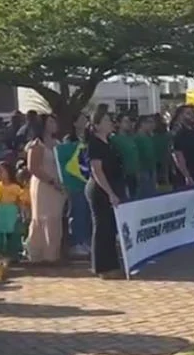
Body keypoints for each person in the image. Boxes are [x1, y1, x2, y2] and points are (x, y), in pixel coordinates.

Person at [85, 110, 125, 279]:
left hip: (113, 185)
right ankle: (102, 267)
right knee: (102, 227)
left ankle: (112, 264)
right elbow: (97, 171)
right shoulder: (94, 144)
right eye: (107, 120)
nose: (110, 123)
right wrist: (110, 193)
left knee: (110, 227)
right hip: (100, 189)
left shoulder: (109, 142)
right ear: (97, 124)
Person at [25, 114, 67, 264]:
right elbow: (33, 167)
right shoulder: (37, 145)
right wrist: (51, 181)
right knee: (43, 217)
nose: (54, 124)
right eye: (50, 121)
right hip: (43, 185)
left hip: (58, 186)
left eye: (54, 121)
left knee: (55, 218)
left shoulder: (57, 143)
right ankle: (38, 254)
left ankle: (53, 253)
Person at [64, 112, 92, 257]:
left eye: (86, 119)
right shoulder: (69, 140)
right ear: (74, 123)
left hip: (87, 181)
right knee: (77, 211)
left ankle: (85, 240)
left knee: (87, 212)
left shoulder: (89, 138)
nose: (84, 122)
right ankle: (76, 242)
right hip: (75, 182)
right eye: (81, 119)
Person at [0, 162, 24, 259]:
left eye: (1, 171)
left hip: (11, 212)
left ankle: (13, 255)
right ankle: (0, 255)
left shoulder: (16, 187)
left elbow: (19, 202)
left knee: (12, 234)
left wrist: (21, 213)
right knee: (0, 235)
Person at [112, 113, 141, 198]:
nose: (128, 124)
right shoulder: (115, 139)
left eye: (129, 121)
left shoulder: (131, 138)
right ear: (118, 124)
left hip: (134, 174)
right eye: (125, 121)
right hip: (124, 176)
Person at [134, 116, 157, 198]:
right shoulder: (137, 138)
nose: (152, 125)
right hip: (142, 169)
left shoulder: (149, 137)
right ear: (142, 124)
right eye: (149, 122)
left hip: (151, 168)